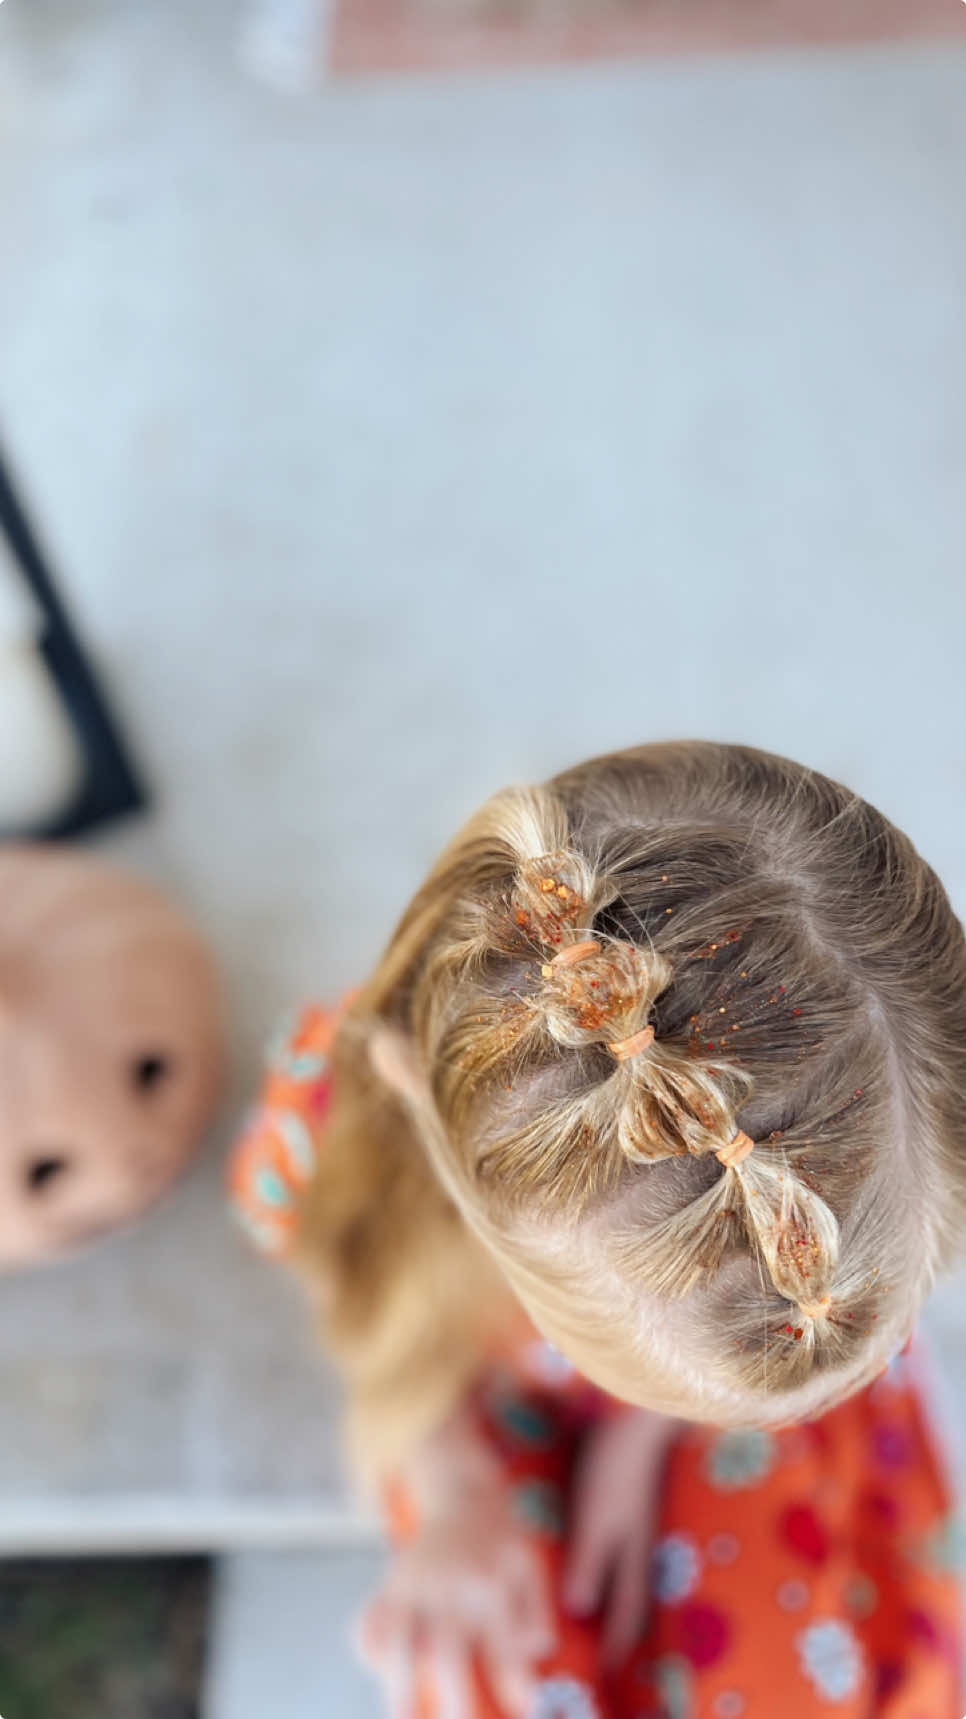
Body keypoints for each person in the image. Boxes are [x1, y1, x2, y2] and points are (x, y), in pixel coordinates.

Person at [231, 740, 966, 1718]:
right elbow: (346, 1270)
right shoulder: (328, 1130)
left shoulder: (785, 1274)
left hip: (724, 1335)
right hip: (471, 1395)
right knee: (506, 1676)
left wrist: (658, 1426)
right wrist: (447, 1478)